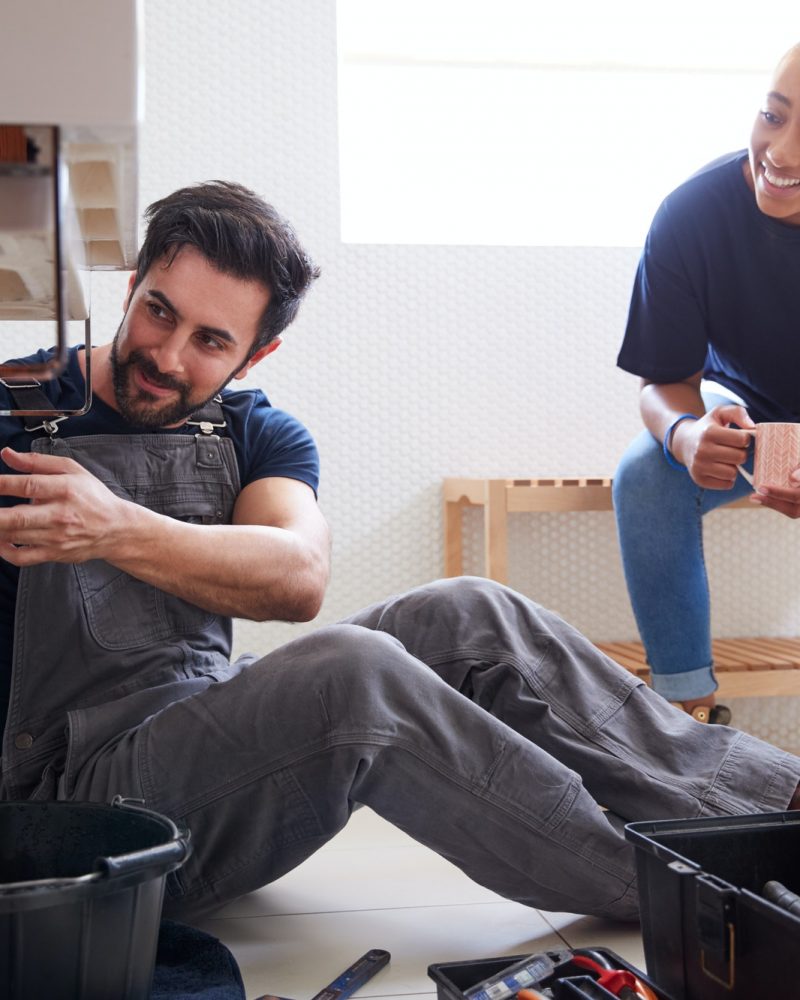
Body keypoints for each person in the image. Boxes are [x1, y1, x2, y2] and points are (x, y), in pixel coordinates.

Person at [0, 181, 797, 927]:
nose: (169, 356)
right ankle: (693, 896)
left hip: (199, 742)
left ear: (254, 358)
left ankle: (779, 812)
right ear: (133, 282)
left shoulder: (254, 432)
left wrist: (114, 528)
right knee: (354, 674)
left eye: (211, 341)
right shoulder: (14, 405)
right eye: (158, 312)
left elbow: (296, 577)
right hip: (74, 809)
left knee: (470, 612)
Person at [613, 42, 800, 722]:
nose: (779, 153)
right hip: (743, 403)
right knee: (646, 474)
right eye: (773, 116)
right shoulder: (693, 212)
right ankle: (686, 722)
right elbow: (663, 383)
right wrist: (688, 435)